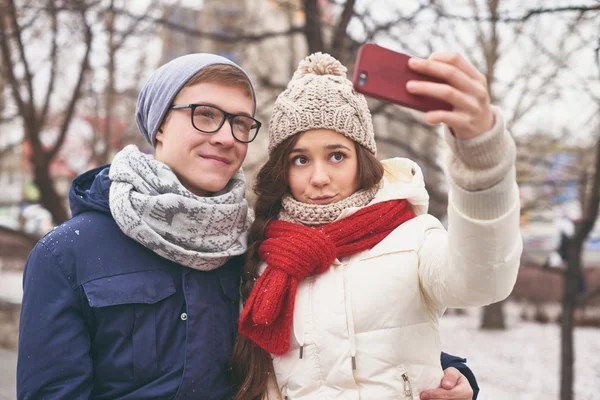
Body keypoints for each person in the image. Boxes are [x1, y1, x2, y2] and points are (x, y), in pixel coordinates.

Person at [17, 53, 476, 400]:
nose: (225, 137)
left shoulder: (257, 245)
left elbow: (343, 327)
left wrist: (452, 375)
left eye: (240, 123)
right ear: (157, 127)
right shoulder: (68, 255)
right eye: (205, 115)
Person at [231, 52, 522, 400]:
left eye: (337, 155)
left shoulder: (412, 236)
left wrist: (481, 163)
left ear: (362, 158)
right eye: (301, 159)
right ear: (283, 168)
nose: (319, 177)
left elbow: (482, 281)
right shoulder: (262, 256)